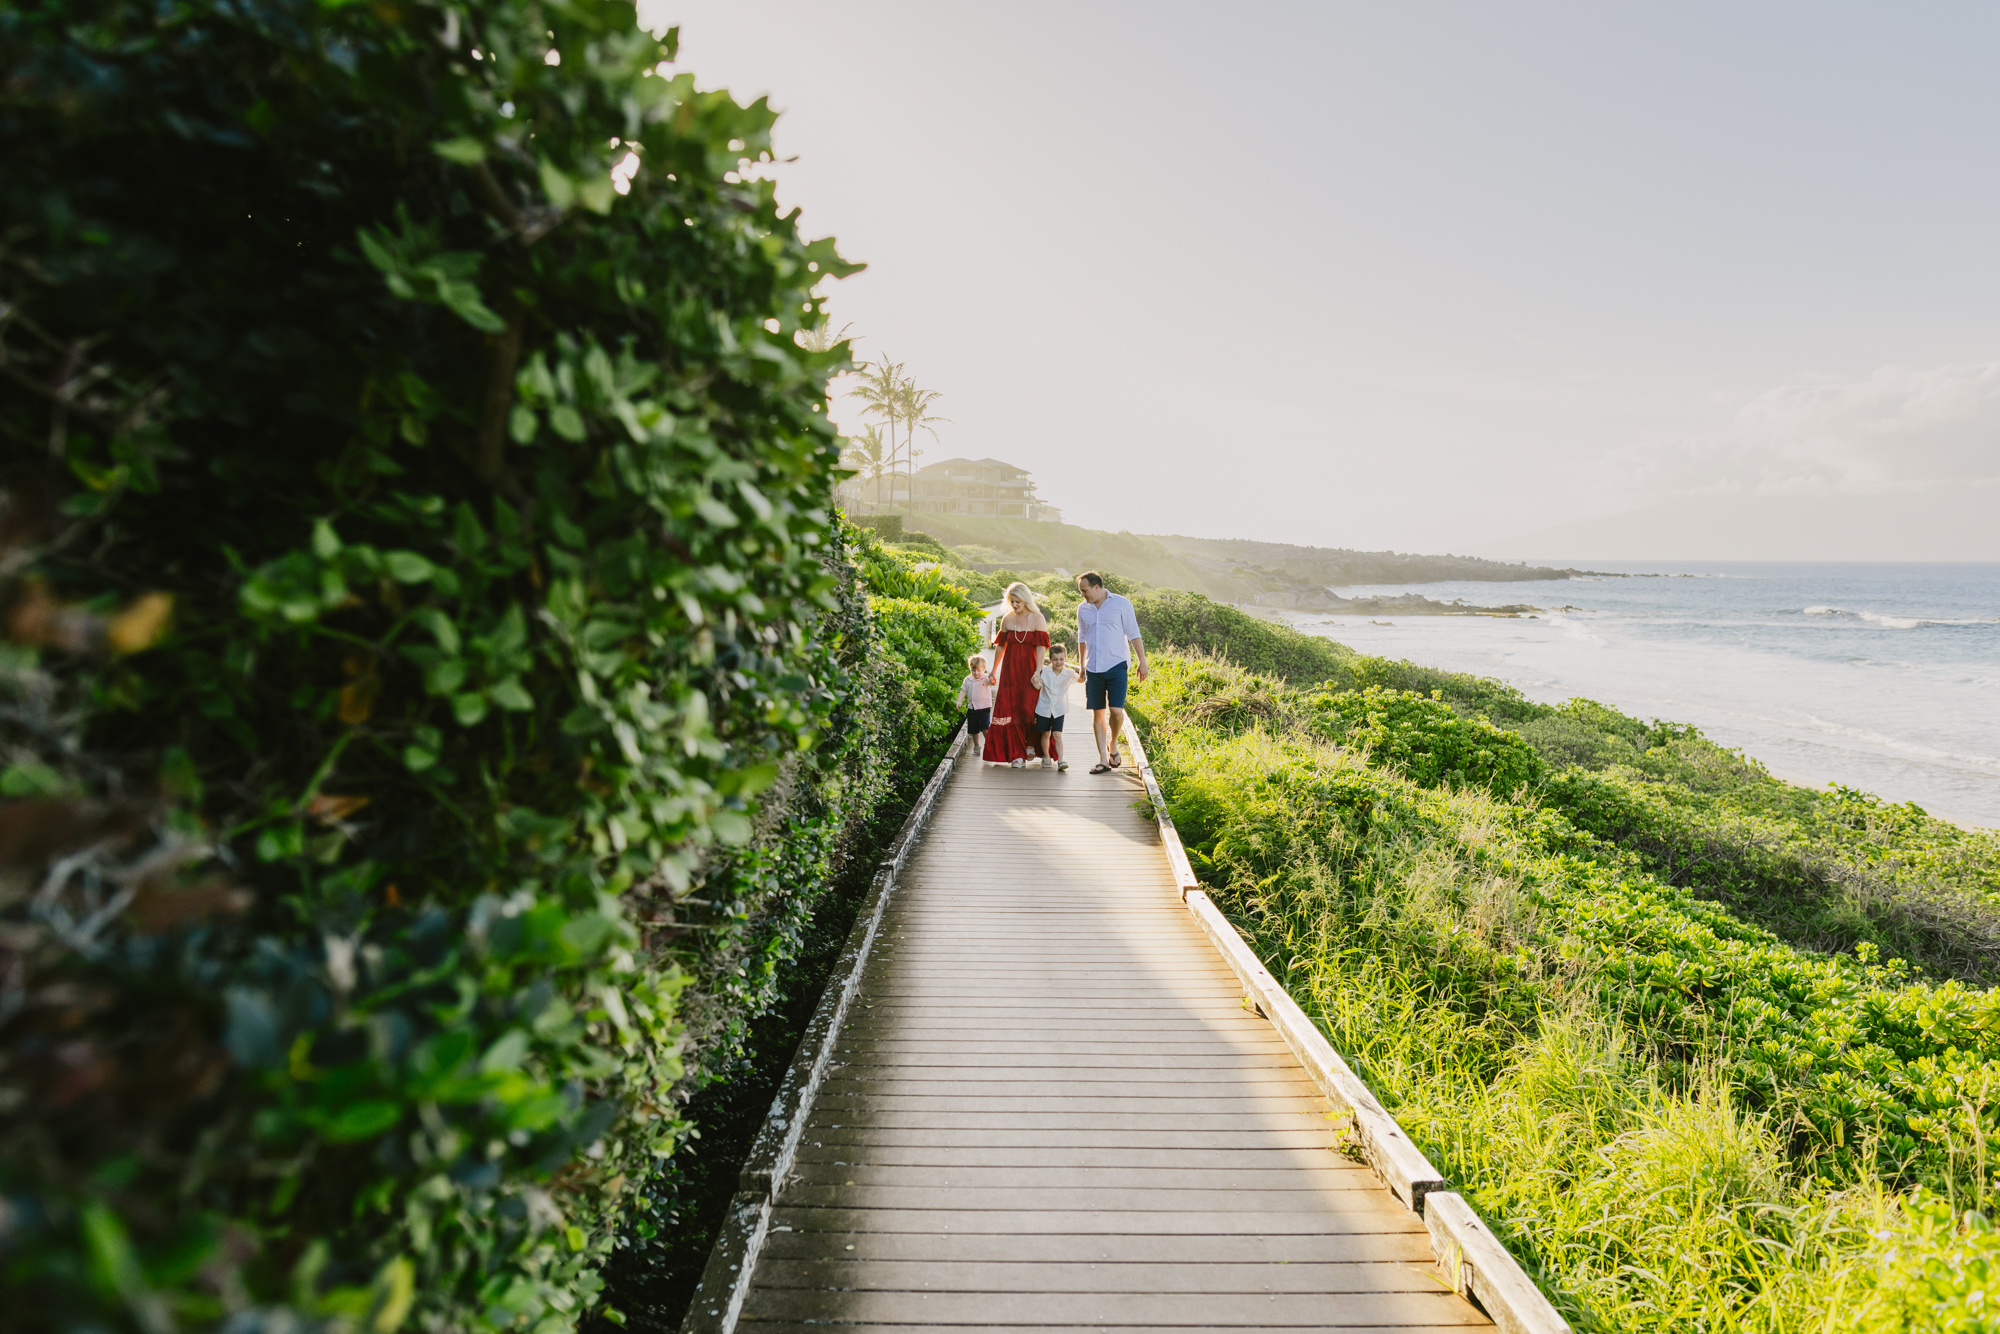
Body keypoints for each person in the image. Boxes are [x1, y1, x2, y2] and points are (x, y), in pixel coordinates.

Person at [1073, 570, 1148, 774]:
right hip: (1093, 667)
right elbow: (1082, 638)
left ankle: (1113, 744)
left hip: (1117, 665)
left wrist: (1143, 661)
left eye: (1085, 590)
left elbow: (1134, 634)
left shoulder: (1121, 604)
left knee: (1116, 712)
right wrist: (1081, 667)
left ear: (1097, 587)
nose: (1082, 595)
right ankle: (1103, 760)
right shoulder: (1083, 609)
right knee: (1098, 714)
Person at [986, 581, 1050, 768]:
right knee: (1010, 710)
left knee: (1029, 709)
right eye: (1012, 601)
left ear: (1026, 599)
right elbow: (1000, 647)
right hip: (1010, 670)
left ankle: (1030, 744)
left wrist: (1038, 670)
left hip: (1030, 670)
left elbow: (1041, 648)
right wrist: (993, 669)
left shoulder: (1038, 618)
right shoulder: (1007, 619)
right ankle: (1016, 754)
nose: (1014, 605)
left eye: (1017, 601)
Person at [1031, 642, 1080, 772]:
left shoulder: (1069, 673)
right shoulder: (1044, 671)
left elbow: (1079, 679)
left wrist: (1084, 672)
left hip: (1059, 709)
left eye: (1061, 659)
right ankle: (1046, 757)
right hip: (1044, 708)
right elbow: (1038, 686)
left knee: (1057, 734)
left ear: (1065, 658)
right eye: (1055, 659)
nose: (1058, 662)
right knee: (1045, 734)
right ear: (1050, 659)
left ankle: (1061, 760)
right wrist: (1034, 681)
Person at [956, 654, 992, 759]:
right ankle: (976, 745)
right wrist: (959, 701)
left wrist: (993, 680)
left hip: (984, 707)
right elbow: (963, 691)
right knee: (974, 729)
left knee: (985, 727)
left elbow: (992, 682)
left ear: (984, 669)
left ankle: (989, 744)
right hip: (972, 707)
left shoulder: (985, 678)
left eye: (979, 670)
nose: (976, 673)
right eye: (973, 670)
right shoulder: (968, 680)